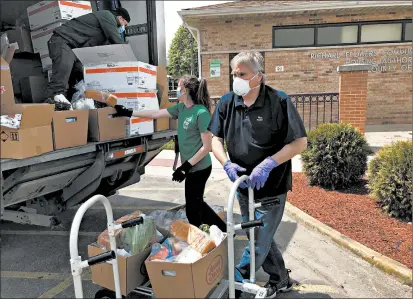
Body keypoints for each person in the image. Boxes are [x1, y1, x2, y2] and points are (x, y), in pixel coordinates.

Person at [208, 51, 307, 298]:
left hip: (271, 187)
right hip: (243, 186)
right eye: (234, 74)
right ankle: (281, 278)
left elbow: (299, 143)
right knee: (259, 234)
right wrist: (226, 163)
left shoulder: (278, 101)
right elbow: (215, 139)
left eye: (242, 74)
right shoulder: (227, 102)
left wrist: (268, 164)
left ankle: (237, 283)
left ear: (258, 76)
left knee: (257, 241)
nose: (236, 79)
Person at [113, 75, 227, 232]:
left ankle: (205, 237)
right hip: (190, 167)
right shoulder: (180, 108)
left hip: (200, 168)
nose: (176, 90)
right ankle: (223, 230)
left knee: (193, 210)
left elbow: (207, 147)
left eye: (178, 87)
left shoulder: (201, 113)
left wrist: (185, 167)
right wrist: (130, 112)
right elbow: (156, 114)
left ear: (185, 90)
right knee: (196, 203)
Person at [44, 8, 130, 108]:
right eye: (124, 23)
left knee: (79, 76)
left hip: (74, 49)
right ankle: (48, 107)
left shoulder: (103, 31)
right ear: (120, 17)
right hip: (62, 40)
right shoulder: (107, 16)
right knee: (61, 76)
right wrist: (130, 58)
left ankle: (71, 106)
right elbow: (116, 41)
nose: (123, 27)